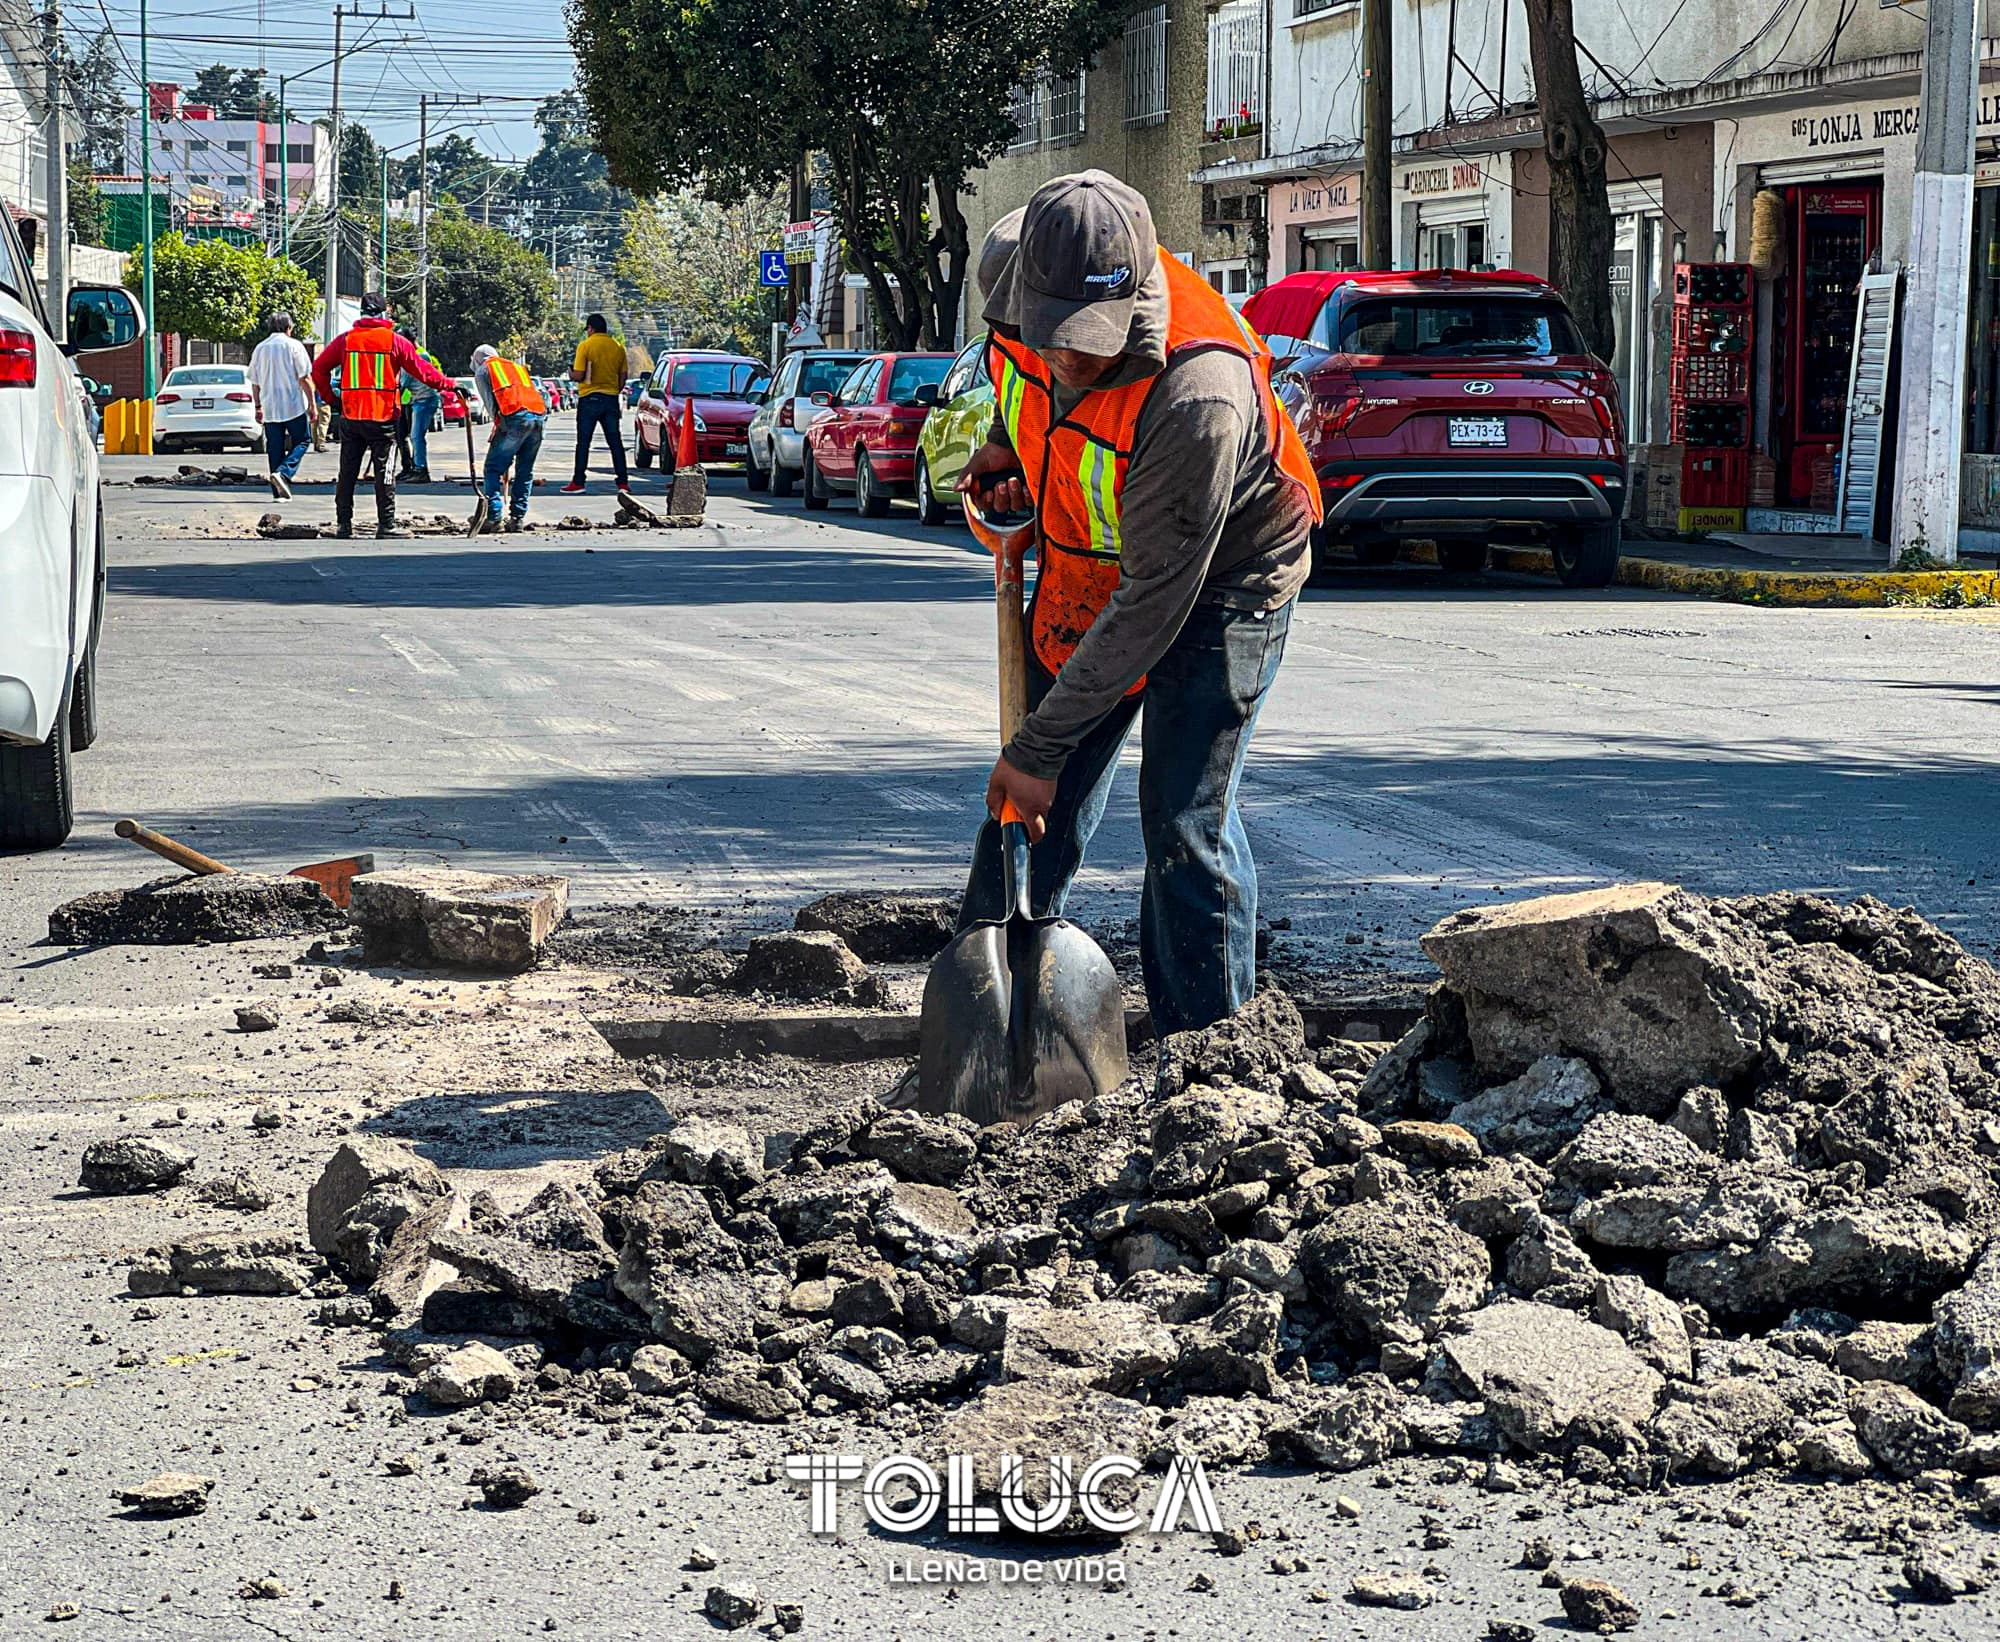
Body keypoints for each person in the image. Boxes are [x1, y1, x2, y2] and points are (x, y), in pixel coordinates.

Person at [954, 171, 1323, 1041]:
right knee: (1027, 800)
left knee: (1180, 814)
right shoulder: (1008, 276)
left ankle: (1211, 1054)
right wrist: (1011, 444)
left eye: (1088, 343)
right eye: (1051, 337)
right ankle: (983, 1031)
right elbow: (1028, 388)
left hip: (1223, 577)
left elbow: (1156, 600)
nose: (1067, 359)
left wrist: (1043, 744)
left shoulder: (1201, 392)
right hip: (1089, 560)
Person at [310, 293, 452, 539]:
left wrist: (333, 400)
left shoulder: (346, 340)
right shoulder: (395, 342)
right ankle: (386, 525)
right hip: (383, 418)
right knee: (385, 471)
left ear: (362, 313)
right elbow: (423, 371)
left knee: (348, 472)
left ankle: (344, 525)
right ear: (384, 312)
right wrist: (449, 385)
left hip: (351, 417)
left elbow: (318, 369)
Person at [470, 342, 548, 532]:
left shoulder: (484, 370)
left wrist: (499, 432)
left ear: (477, 360)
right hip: (538, 418)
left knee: (492, 468)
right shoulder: (516, 367)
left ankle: (494, 518)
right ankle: (517, 519)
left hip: (515, 418)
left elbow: (491, 407)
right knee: (525, 470)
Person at [247, 311, 315, 500]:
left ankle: (279, 493)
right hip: (293, 405)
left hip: (270, 406)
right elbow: (305, 378)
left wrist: (258, 406)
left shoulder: (260, 348)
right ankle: (284, 473)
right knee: (302, 440)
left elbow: (255, 382)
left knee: (274, 447)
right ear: (288, 327)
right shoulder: (294, 346)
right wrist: (312, 404)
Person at [561, 312, 631, 495]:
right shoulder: (618, 347)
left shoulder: (585, 346)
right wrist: (614, 389)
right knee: (615, 442)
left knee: (583, 443)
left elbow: (579, 374)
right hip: (610, 399)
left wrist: (570, 373)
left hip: (589, 399)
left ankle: (578, 482)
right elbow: (623, 377)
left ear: (591, 328)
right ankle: (623, 482)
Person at [399, 342, 445, 483]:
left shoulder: (413, 358)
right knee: (413, 436)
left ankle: (420, 470)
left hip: (423, 400)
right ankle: (415, 468)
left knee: (416, 436)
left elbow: (401, 385)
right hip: (421, 399)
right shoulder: (420, 355)